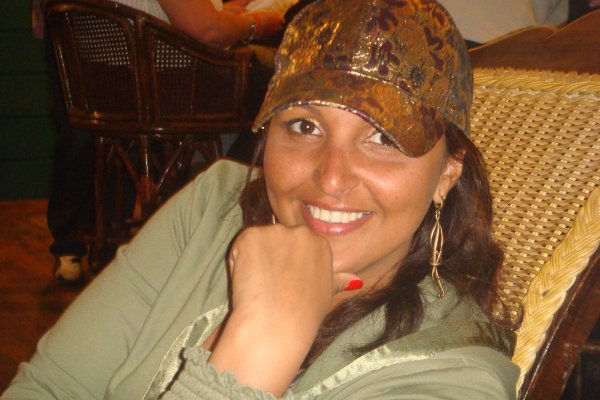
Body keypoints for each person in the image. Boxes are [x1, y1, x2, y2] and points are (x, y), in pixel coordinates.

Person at [3, 0, 519, 398]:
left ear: (447, 173)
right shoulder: (213, 208)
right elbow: (50, 388)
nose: (331, 178)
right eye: (304, 125)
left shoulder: (451, 375)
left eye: (383, 138)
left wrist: (262, 339)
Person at [33, 0, 285, 283]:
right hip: (168, 84)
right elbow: (206, 29)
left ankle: (80, 242)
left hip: (100, 86)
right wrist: (255, 24)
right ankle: (227, 224)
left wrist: (222, 15)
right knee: (280, 91)